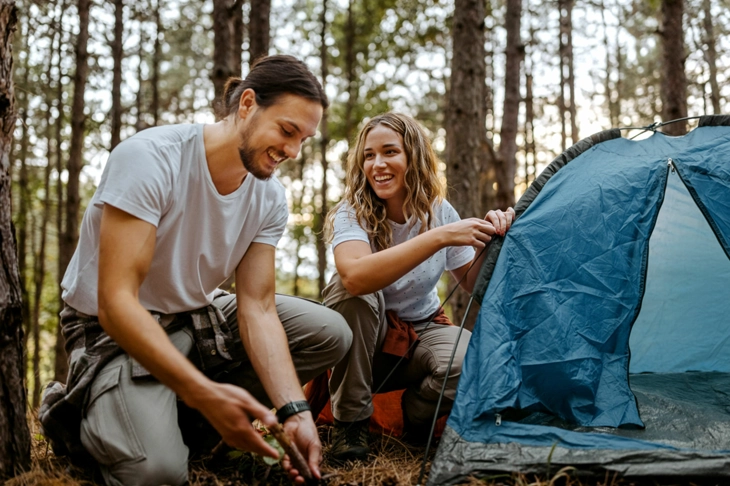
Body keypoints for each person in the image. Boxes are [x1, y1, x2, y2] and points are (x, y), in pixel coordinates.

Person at [39, 55, 352, 486]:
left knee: (329, 331)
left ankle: (180, 421)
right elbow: (116, 303)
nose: (293, 151)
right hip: (113, 331)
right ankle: (85, 418)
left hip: (195, 316)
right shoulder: (149, 158)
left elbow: (258, 308)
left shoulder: (269, 198)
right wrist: (204, 393)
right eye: (286, 130)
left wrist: (295, 411)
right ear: (246, 105)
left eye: (304, 139)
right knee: (157, 474)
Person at [321, 112, 515, 462]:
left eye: (389, 152)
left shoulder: (440, 211)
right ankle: (351, 428)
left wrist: (493, 240)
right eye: (368, 155)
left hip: (423, 328)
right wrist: (438, 238)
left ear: (414, 156)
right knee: (352, 292)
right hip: (365, 341)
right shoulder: (352, 213)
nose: (377, 164)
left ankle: (413, 416)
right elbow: (355, 277)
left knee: (475, 362)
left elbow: (472, 284)